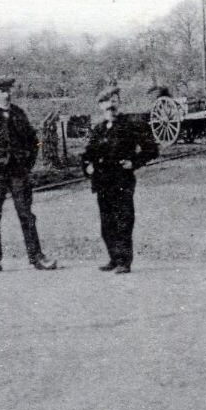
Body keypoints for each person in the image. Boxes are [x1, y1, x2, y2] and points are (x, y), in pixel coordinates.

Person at [0, 76, 58, 272]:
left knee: (26, 214)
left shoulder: (19, 114)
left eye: (8, 90)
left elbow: (35, 141)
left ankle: (36, 257)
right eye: (1, 91)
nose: (6, 94)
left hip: (18, 171)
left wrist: (28, 164)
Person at [82, 86, 159, 273]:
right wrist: (87, 166)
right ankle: (114, 259)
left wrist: (134, 162)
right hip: (102, 182)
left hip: (122, 180)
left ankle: (124, 261)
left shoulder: (131, 125)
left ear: (119, 103)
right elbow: (87, 154)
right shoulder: (98, 129)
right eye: (107, 104)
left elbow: (151, 150)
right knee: (107, 223)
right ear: (101, 107)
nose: (111, 107)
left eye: (115, 102)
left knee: (124, 220)